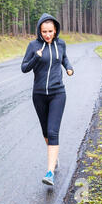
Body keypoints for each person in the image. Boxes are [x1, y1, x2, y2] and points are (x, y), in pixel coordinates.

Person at [21, 13, 74, 186]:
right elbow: (24, 68)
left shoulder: (61, 44)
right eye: (44, 31)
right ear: (39, 31)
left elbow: (64, 57)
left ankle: (50, 172)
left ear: (55, 30)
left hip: (58, 93)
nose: (48, 35)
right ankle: (54, 157)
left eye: (50, 31)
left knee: (52, 132)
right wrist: (36, 57)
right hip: (39, 95)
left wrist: (69, 67)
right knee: (45, 132)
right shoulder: (33, 46)